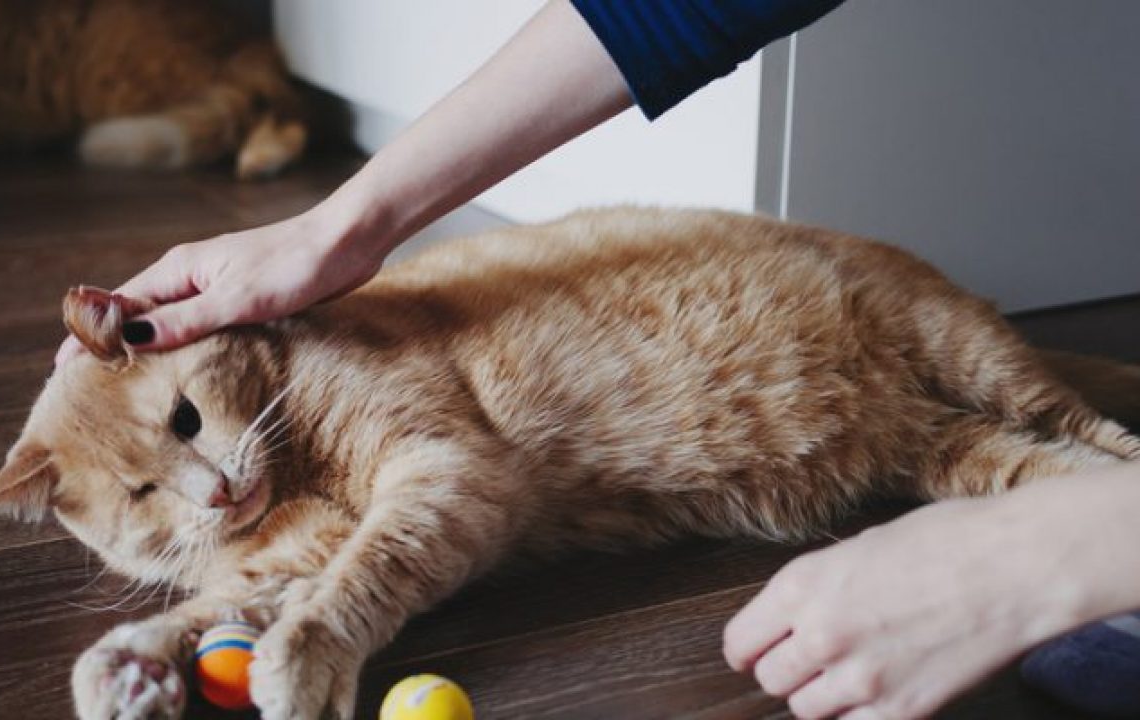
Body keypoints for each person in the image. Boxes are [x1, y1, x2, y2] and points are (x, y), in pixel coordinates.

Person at [57, 2, 1140, 717]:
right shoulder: (255, 464)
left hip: (813, 310)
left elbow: (448, 480)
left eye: (188, 426)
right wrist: (187, 631)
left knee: (1035, 448)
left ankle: (1095, 472)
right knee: (971, 473)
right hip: (832, 450)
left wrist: (339, 624)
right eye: (155, 490)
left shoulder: (326, 374)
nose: (213, 482)